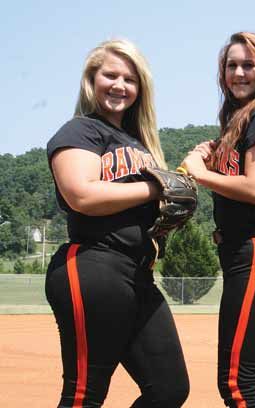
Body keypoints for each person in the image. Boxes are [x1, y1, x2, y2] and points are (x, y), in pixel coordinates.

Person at [45, 39, 189, 407]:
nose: (119, 85)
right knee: (85, 394)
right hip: (93, 265)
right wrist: (154, 187)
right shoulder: (80, 131)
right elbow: (83, 196)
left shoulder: (138, 142)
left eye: (130, 79)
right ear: (91, 80)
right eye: (110, 75)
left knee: (169, 389)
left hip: (138, 273)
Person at [180, 32, 255, 407]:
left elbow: (254, 188)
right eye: (232, 65)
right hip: (246, 253)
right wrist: (213, 154)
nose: (239, 72)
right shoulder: (239, 118)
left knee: (237, 383)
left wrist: (199, 172)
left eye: (249, 64)